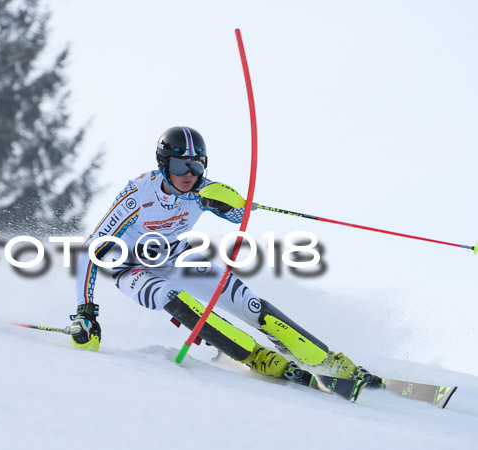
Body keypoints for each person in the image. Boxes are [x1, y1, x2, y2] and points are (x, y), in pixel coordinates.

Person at [69, 126, 365, 381]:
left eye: (196, 166)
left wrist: (230, 207)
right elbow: (90, 251)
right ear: (163, 165)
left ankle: (323, 359)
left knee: (248, 304)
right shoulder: (138, 196)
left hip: (176, 257)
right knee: (171, 296)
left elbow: (238, 214)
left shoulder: (203, 191)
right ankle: (257, 357)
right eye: (178, 166)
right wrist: (86, 311)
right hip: (132, 268)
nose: (188, 175)